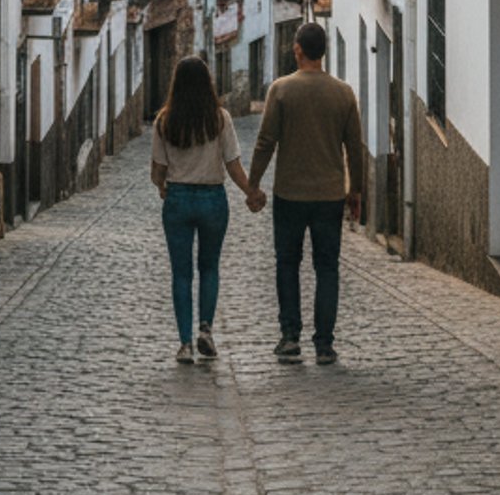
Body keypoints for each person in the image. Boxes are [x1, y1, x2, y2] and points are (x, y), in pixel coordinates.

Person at [245, 20, 369, 365]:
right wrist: (355, 190)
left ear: (298, 50)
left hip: (290, 195)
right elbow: (354, 148)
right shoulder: (343, 93)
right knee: (327, 268)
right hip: (330, 195)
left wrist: (253, 183)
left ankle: (289, 337)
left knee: (287, 264)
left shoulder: (281, 90)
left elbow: (266, 141)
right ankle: (325, 344)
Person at [149, 54, 255, 364]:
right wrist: (251, 192)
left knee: (181, 274)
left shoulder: (164, 121)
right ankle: (206, 329)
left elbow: (158, 169)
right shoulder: (220, 118)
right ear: (207, 83)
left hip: (178, 200)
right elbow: (233, 164)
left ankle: (184, 344)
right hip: (212, 200)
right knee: (209, 267)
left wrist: (162, 187)